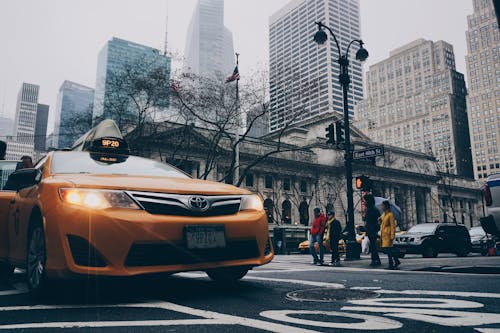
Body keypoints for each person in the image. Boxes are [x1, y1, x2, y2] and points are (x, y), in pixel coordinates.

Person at [379, 200, 401, 270]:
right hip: (384, 235)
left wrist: (392, 235)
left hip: (388, 235)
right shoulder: (383, 214)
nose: (381, 207)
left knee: (388, 250)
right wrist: (379, 220)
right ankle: (396, 261)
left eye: (382, 205)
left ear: (386, 206)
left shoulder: (390, 215)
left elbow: (392, 226)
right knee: (388, 250)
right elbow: (382, 224)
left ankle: (391, 263)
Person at [364, 194, 381, 267]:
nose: (364, 202)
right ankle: (376, 259)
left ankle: (375, 260)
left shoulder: (373, 210)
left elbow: (377, 220)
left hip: (372, 230)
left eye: (365, 201)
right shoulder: (370, 209)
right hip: (371, 230)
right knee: (372, 246)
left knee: (373, 246)